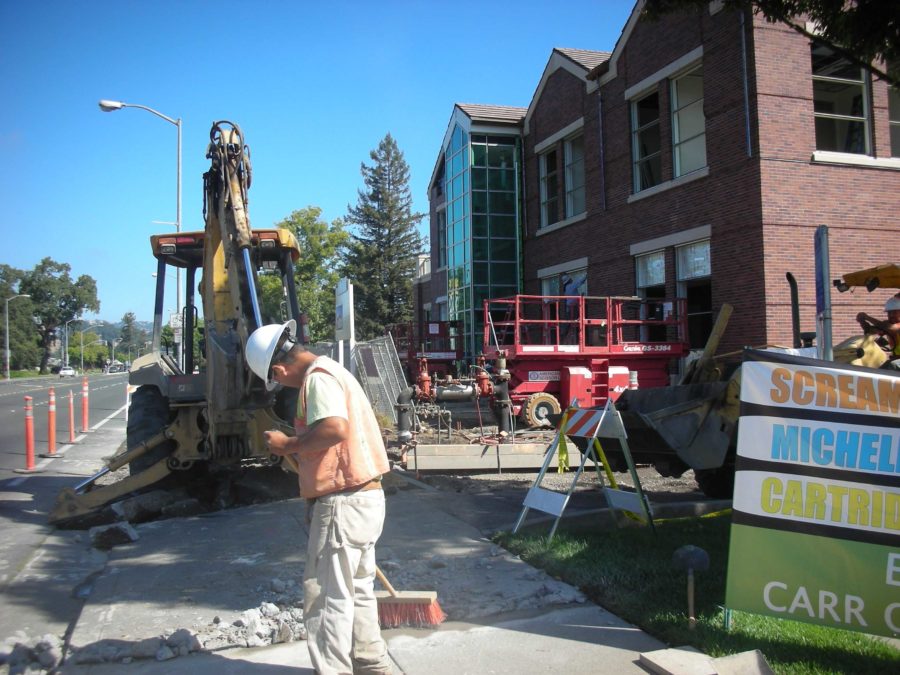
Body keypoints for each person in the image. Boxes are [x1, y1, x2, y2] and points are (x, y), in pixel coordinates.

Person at [245, 320, 393, 675]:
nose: (281, 384)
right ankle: (372, 666)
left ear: (279, 369)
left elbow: (334, 429)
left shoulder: (317, 378)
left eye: (277, 379)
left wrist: (288, 445)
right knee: (357, 591)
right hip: (364, 499)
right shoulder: (334, 370)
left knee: (325, 600)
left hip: (342, 503)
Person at [856, 292, 900, 370]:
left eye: (894, 312)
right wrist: (862, 321)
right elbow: (870, 330)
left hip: (896, 362)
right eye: (889, 313)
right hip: (895, 360)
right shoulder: (887, 325)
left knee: (891, 365)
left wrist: (867, 317)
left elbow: (890, 328)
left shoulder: (892, 326)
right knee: (878, 371)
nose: (891, 315)